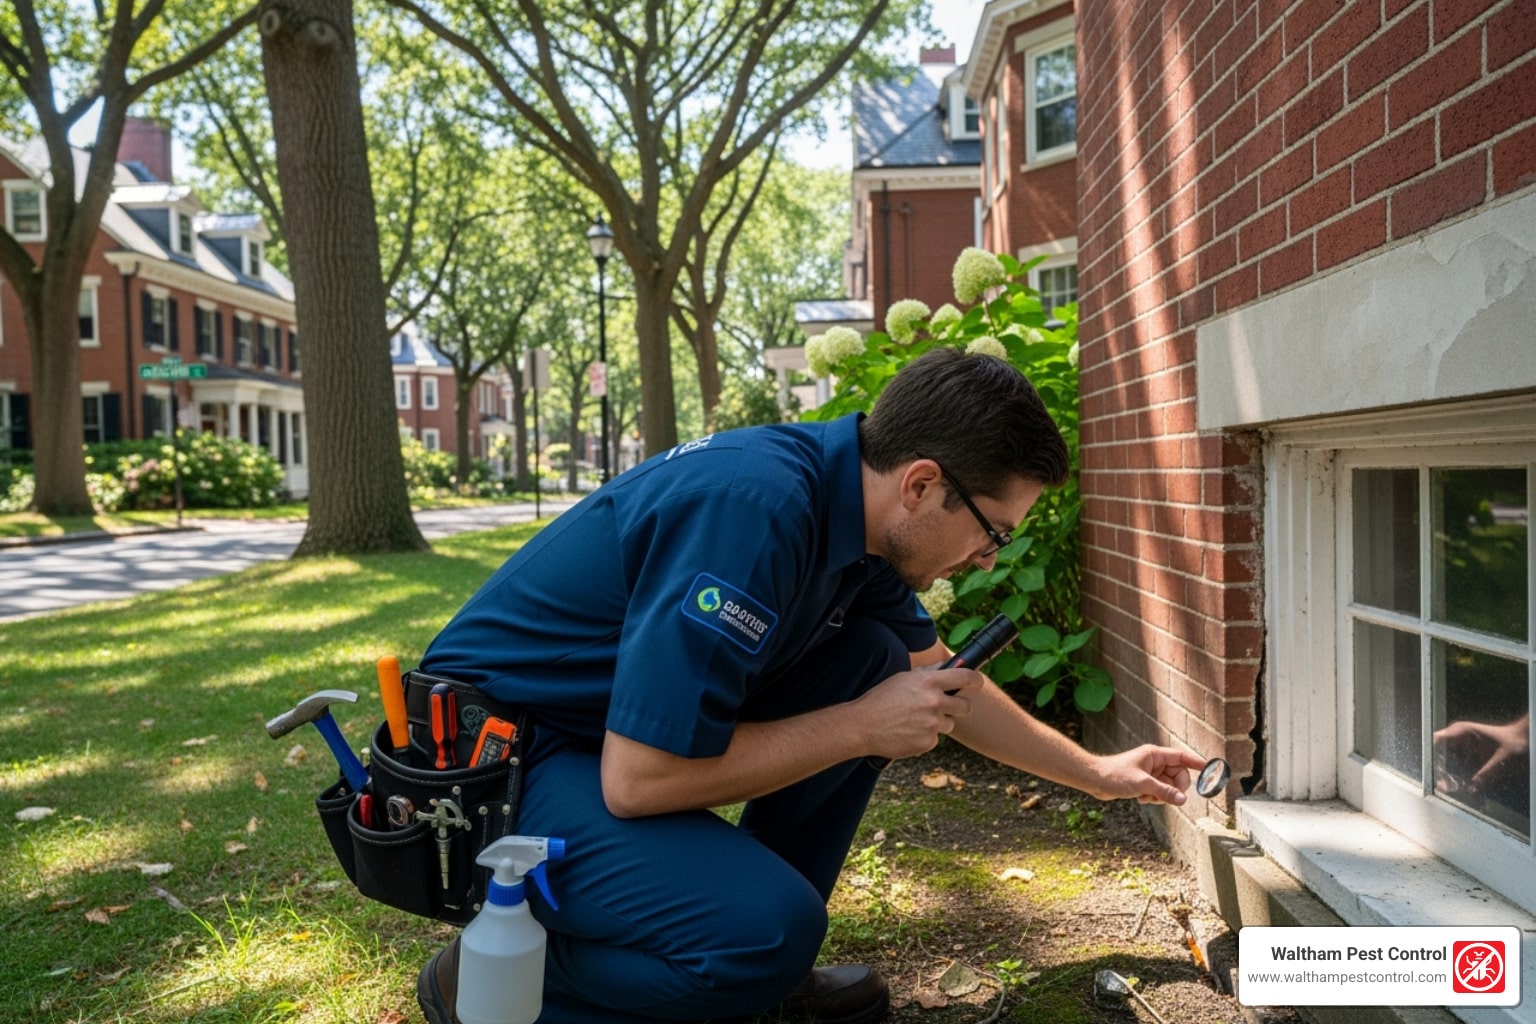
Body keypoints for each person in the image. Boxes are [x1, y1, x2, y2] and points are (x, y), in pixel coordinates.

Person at [414, 348, 1207, 1024]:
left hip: (584, 740)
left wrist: (1101, 775)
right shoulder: (753, 512)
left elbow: (942, 687)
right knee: (767, 933)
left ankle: (747, 967)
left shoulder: (855, 529)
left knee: (870, 657)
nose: (990, 557)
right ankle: (492, 977)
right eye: (993, 531)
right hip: (489, 768)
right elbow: (640, 780)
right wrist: (861, 728)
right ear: (922, 485)